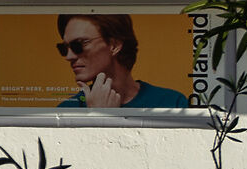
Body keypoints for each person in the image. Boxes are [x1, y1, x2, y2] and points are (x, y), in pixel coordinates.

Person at [54, 14, 190, 109]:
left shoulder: (171, 103)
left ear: (114, 45)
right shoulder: (67, 110)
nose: (69, 56)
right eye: (64, 48)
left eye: (79, 45)